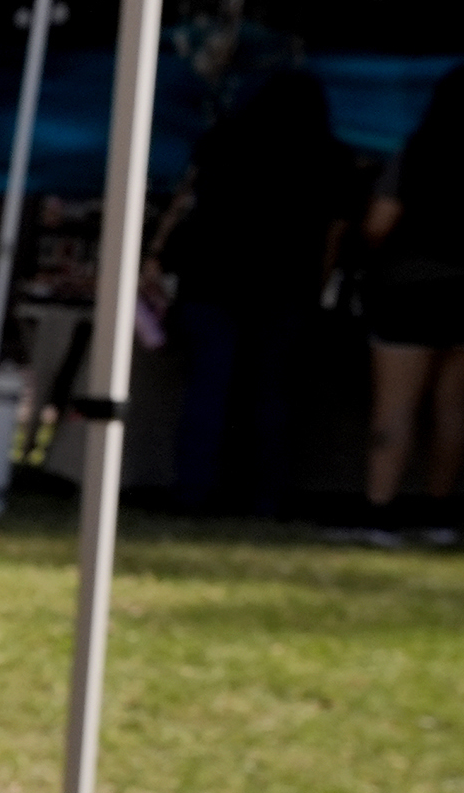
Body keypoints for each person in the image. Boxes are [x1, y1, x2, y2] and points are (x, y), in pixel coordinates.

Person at [152, 68, 358, 519]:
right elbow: (332, 238)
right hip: (286, 286)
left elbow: (187, 201)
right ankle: (265, 496)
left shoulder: (223, 142)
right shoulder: (331, 158)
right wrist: (317, 291)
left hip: (212, 279)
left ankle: (192, 490)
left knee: (208, 388)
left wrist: (156, 254)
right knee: (271, 394)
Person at [359, 58, 464, 543]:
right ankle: (440, 514)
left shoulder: (418, 152)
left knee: (394, 407)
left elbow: (378, 224)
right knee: (453, 406)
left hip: (409, 290)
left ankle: (380, 512)